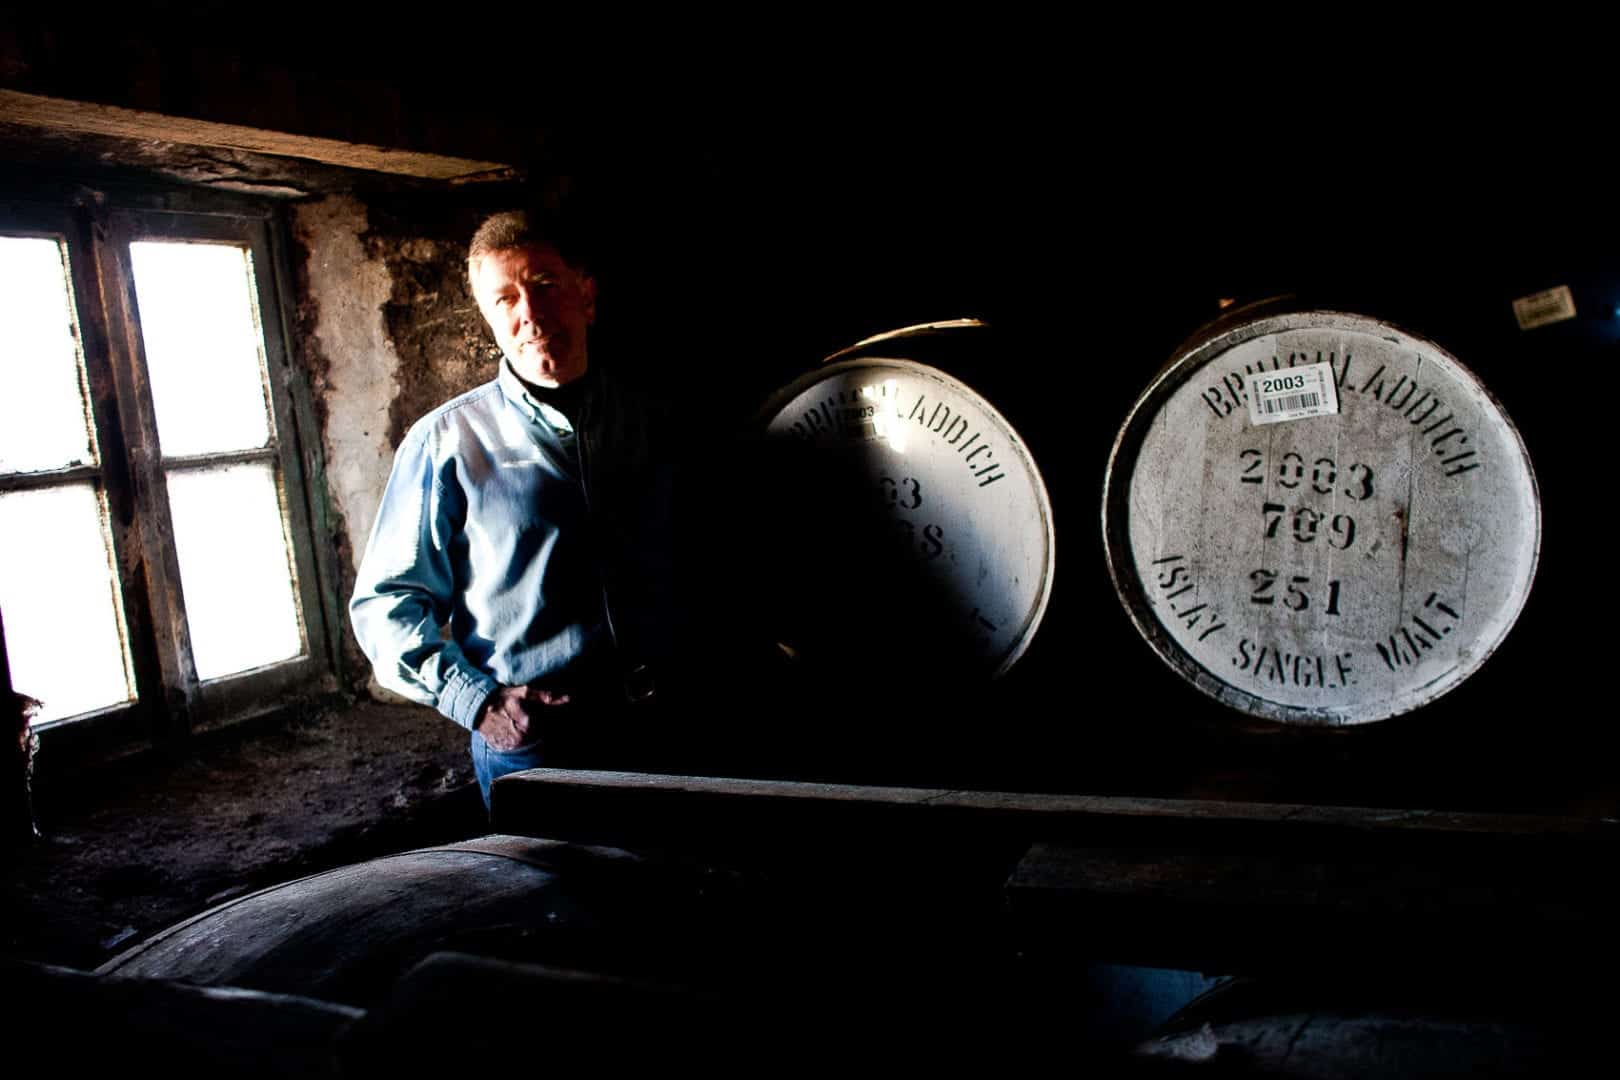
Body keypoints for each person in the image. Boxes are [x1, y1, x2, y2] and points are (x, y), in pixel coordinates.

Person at [350, 210, 674, 809]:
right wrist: (479, 702)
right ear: (490, 319)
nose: (529, 312)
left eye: (545, 285)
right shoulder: (445, 441)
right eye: (505, 299)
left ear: (587, 296)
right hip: (541, 743)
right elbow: (386, 605)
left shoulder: (654, 421)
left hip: (670, 730)